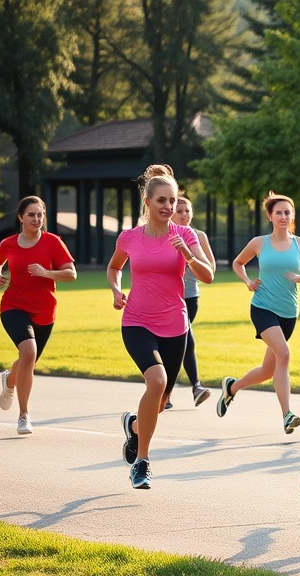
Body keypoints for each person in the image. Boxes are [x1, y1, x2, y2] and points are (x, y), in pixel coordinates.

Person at [110, 165, 214, 489]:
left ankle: (135, 426)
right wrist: (116, 288)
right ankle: (142, 462)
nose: (169, 207)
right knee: (157, 380)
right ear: (148, 200)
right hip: (137, 321)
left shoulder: (185, 235)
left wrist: (186, 254)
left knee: (161, 399)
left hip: (175, 325)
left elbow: (208, 274)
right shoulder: (129, 237)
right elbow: (115, 267)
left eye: (172, 200)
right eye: (162, 200)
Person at [217, 192, 300, 434]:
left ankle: (232, 387)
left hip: (288, 313)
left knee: (267, 371)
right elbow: (237, 263)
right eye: (279, 212)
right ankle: (287, 414)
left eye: (288, 212)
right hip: (263, 307)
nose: (284, 216)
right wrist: (246, 281)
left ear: (292, 215)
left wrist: (299, 278)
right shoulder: (259, 242)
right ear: (270, 216)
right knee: (283, 354)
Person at [0, 196, 77, 435]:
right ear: (20, 217)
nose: (37, 219)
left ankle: (9, 380)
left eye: (40, 215)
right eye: (31, 215)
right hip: (13, 305)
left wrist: (46, 273)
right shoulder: (8, 243)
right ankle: (24, 415)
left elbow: (71, 274)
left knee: (28, 360)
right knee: (28, 351)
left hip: (44, 311)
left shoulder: (53, 242)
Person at [166, 196, 215, 408]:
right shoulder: (164, 235)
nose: (185, 214)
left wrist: (189, 255)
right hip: (166, 296)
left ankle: (190, 388)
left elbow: (210, 267)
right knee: (178, 341)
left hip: (190, 296)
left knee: (183, 337)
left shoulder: (199, 236)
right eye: (180, 211)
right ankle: (188, 387)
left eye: (188, 210)